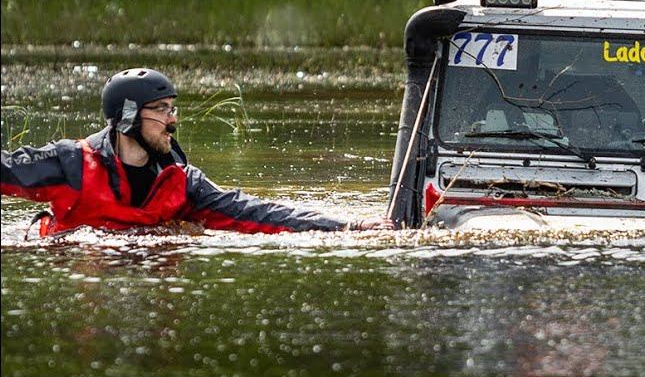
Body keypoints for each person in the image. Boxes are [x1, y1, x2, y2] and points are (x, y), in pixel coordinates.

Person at [2, 67, 393, 236]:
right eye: (161, 110)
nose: (172, 120)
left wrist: (348, 227)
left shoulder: (182, 182)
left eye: (174, 109)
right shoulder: (70, 164)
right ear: (126, 117)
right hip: (84, 275)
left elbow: (255, 213)